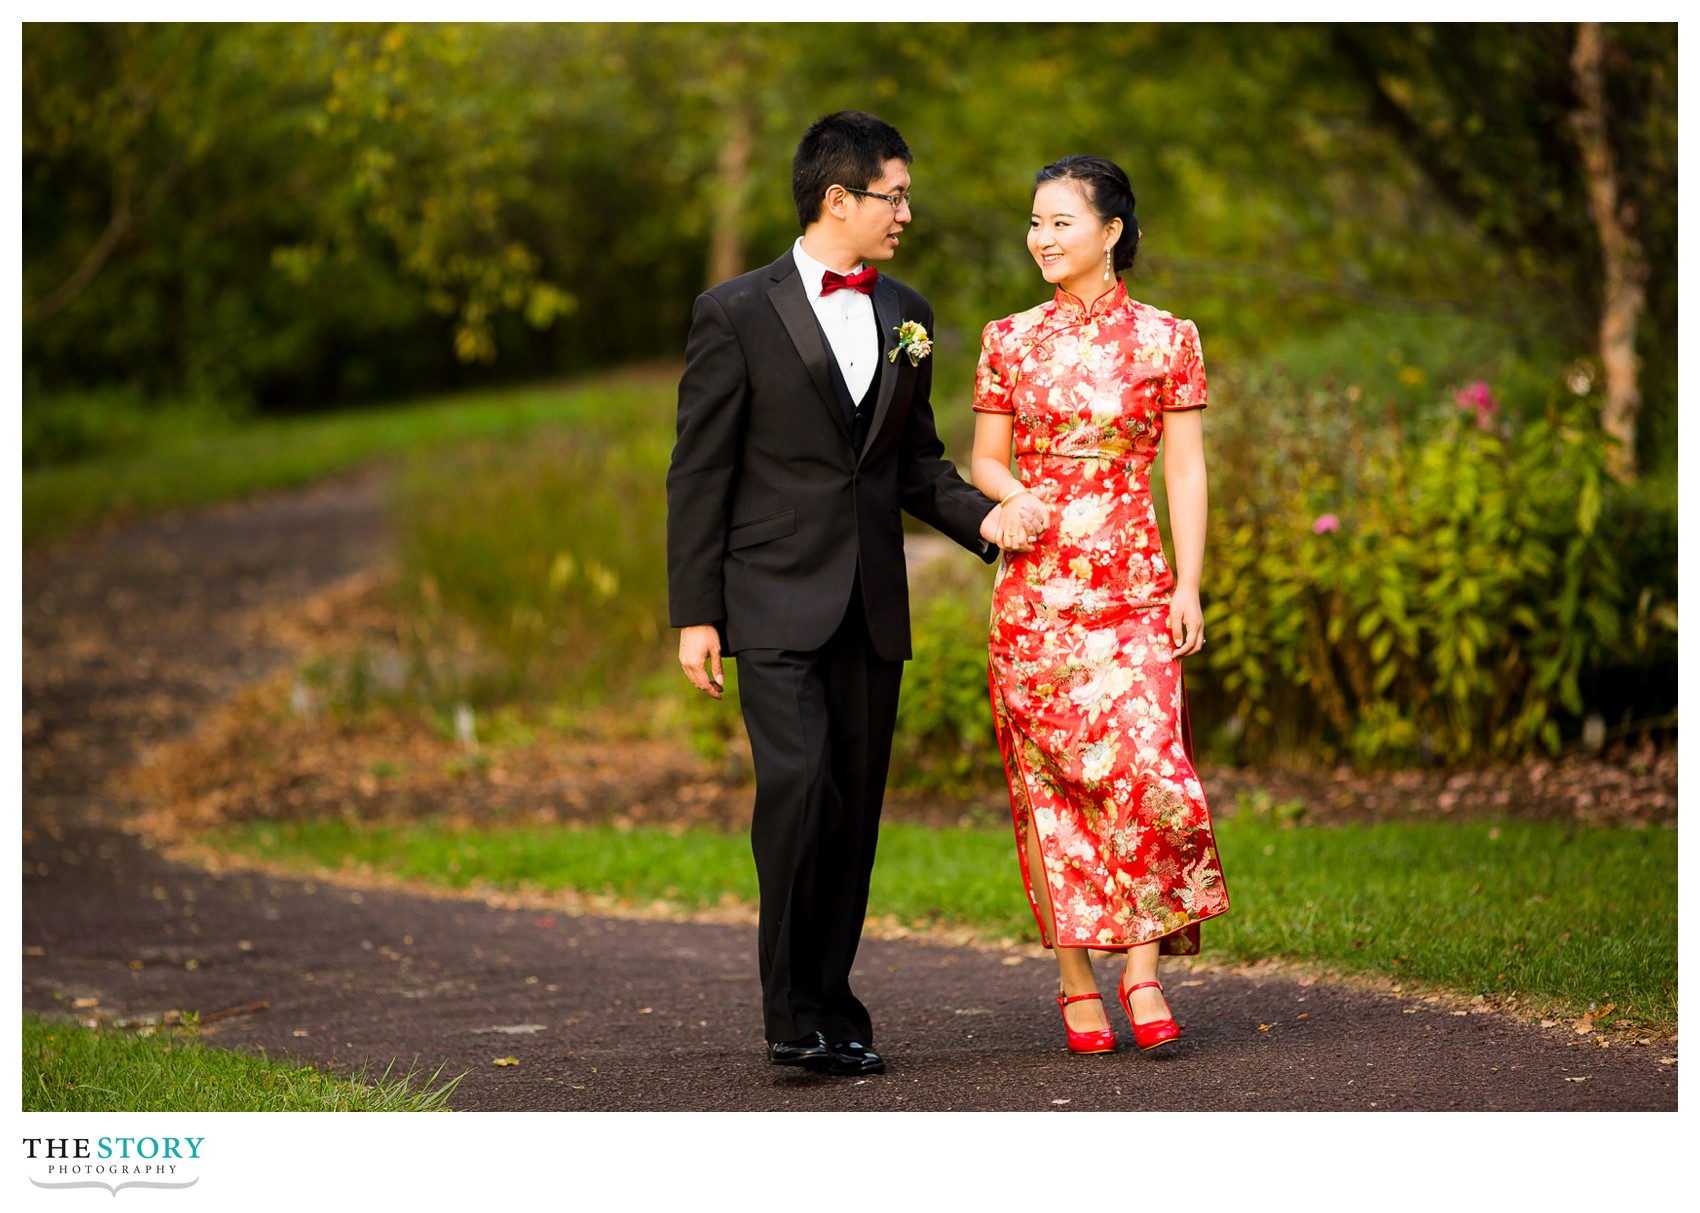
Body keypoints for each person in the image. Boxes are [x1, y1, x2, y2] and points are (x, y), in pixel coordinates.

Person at [666, 111, 1014, 1076]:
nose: (906, 212)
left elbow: (914, 463)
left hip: (871, 607)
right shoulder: (733, 311)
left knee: (854, 811)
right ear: (838, 199)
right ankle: (789, 1009)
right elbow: (698, 471)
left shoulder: (909, 310)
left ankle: (832, 1001)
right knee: (799, 786)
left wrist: (988, 522)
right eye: (892, 195)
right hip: (770, 601)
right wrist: (696, 612)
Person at [969, 155, 1230, 1056]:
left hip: (1134, 586)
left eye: (1059, 222)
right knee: (1054, 785)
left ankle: (1144, 966)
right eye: (1034, 223)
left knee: (1153, 773)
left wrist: (1188, 582)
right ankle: (1077, 981)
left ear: (1111, 231)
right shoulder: (1008, 337)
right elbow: (985, 459)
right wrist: (1010, 498)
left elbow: (1185, 467)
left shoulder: (1169, 338)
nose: (1041, 239)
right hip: (1037, 590)